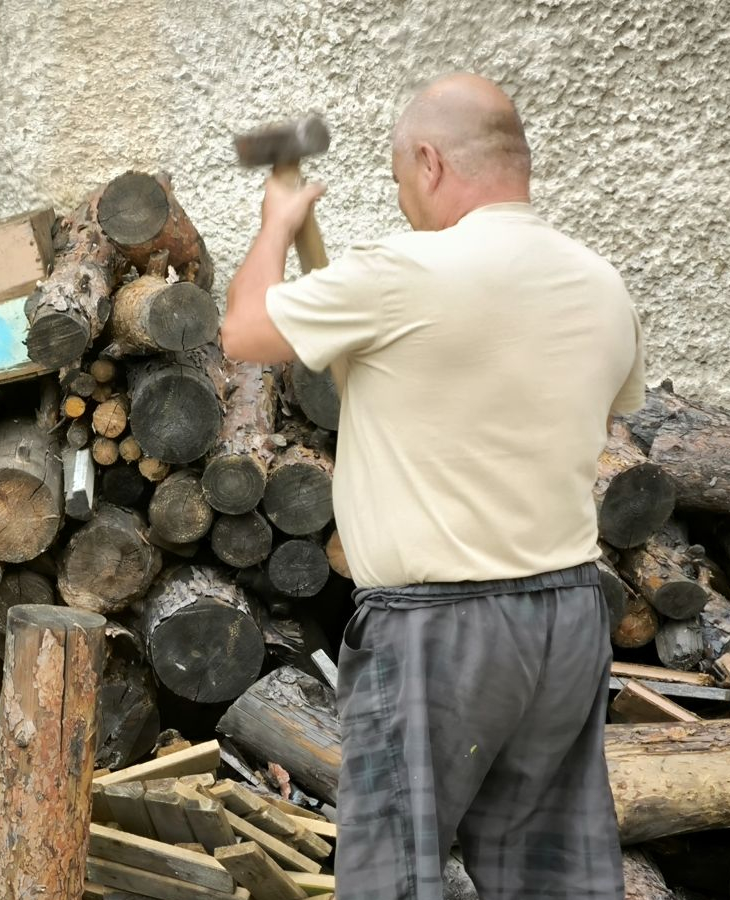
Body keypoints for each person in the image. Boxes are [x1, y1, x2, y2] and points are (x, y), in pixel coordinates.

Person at [222, 73, 644, 900]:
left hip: (440, 633)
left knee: (395, 877)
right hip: (566, 616)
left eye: (397, 179)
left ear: (429, 161)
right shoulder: (601, 285)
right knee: (551, 880)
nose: (405, 199)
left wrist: (277, 225)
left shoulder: (404, 273)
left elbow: (244, 330)